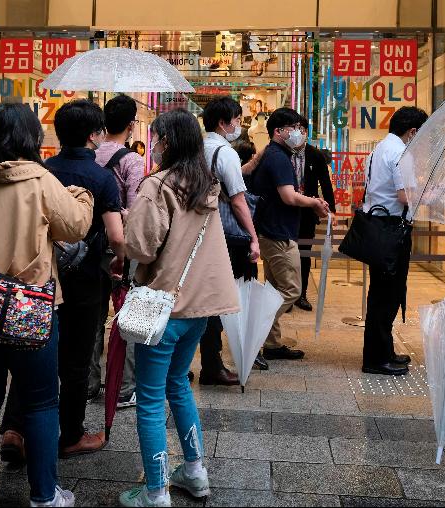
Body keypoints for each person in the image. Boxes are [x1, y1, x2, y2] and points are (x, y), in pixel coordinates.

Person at [0, 102, 93, 507]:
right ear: (30, 136)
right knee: (42, 401)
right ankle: (45, 495)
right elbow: (76, 226)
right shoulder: (41, 181)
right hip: (30, 306)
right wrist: (81, 195)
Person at [119, 109, 239, 507]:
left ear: (166, 142)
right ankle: (195, 471)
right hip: (199, 310)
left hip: (163, 308)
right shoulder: (205, 185)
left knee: (151, 399)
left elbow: (139, 247)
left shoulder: (158, 186)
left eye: (155, 138)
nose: (152, 144)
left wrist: (127, 219)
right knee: (178, 386)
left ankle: (155, 492)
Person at [0, 99, 126, 461]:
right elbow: (116, 235)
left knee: (33, 349)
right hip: (87, 280)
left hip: (42, 276)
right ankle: (70, 434)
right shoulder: (102, 178)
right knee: (76, 359)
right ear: (93, 136)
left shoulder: (43, 171)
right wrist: (119, 261)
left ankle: (14, 428)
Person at [251, 108, 329, 364]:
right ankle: (256, 334)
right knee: (292, 289)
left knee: (275, 288)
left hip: (273, 229)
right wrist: (315, 203)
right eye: (294, 128)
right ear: (279, 131)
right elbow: (288, 196)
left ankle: (271, 344)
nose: (299, 133)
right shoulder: (278, 157)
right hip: (277, 234)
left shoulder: (273, 154)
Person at [194, 97, 260, 385]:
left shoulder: (195, 149)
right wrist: (253, 237)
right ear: (223, 123)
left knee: (202, 297)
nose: (238, 125)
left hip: (196, 231)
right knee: (220, 299)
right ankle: (212, 365)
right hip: (225, 235)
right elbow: (237, 201)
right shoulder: (225, 152)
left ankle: (203, 362)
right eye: (236, 119)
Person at [88, 94, 146, 407]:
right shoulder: (132, 161)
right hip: (119, 247)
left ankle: (89, 382)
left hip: (88, 245)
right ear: (130, 124)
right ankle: (124, 388)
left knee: (92, 317)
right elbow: (136, 212)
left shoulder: (90, 155)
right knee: (128, 315)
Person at [361, 106, 427, 376]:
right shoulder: (401, 153)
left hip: (379, 227)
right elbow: (404, 196)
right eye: (421, 133)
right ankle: (376, 359)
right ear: (412, 131)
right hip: (392, 230)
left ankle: (384, 351)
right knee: (386, 295)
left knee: (382, 293)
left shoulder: (379, 149)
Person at [292, 117, 336, 312]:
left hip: (308, 212)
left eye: (301, 129)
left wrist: (331, 211)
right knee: (285, 254)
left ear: (306, 132)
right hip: (286, 211)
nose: (298, 132)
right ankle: (286, 295)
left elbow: (325, 184)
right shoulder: (282, 152)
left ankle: (301, 294)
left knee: (304, 253)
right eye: (294, 128)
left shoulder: (315, 155)